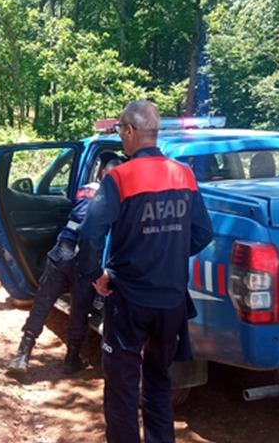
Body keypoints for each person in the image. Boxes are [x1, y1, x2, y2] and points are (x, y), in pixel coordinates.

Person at [77, 101, 213, 443]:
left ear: (130, 131)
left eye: (121, 131)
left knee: (122, 385)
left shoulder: (119, 177)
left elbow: (90, 233)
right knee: (158, 380)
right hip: (171, 302)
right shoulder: (183, 174)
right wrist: (169, 257)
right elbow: (203, 233)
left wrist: (97, 275)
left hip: (129, 300)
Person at [6, 152, 124, 376]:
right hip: (85, 258)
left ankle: (22, 354)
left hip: (62, 250)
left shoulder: (87, 187)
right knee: (80, 309)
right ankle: (71, 359)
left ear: (101, 172)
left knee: (43, 302)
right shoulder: (117, 197)